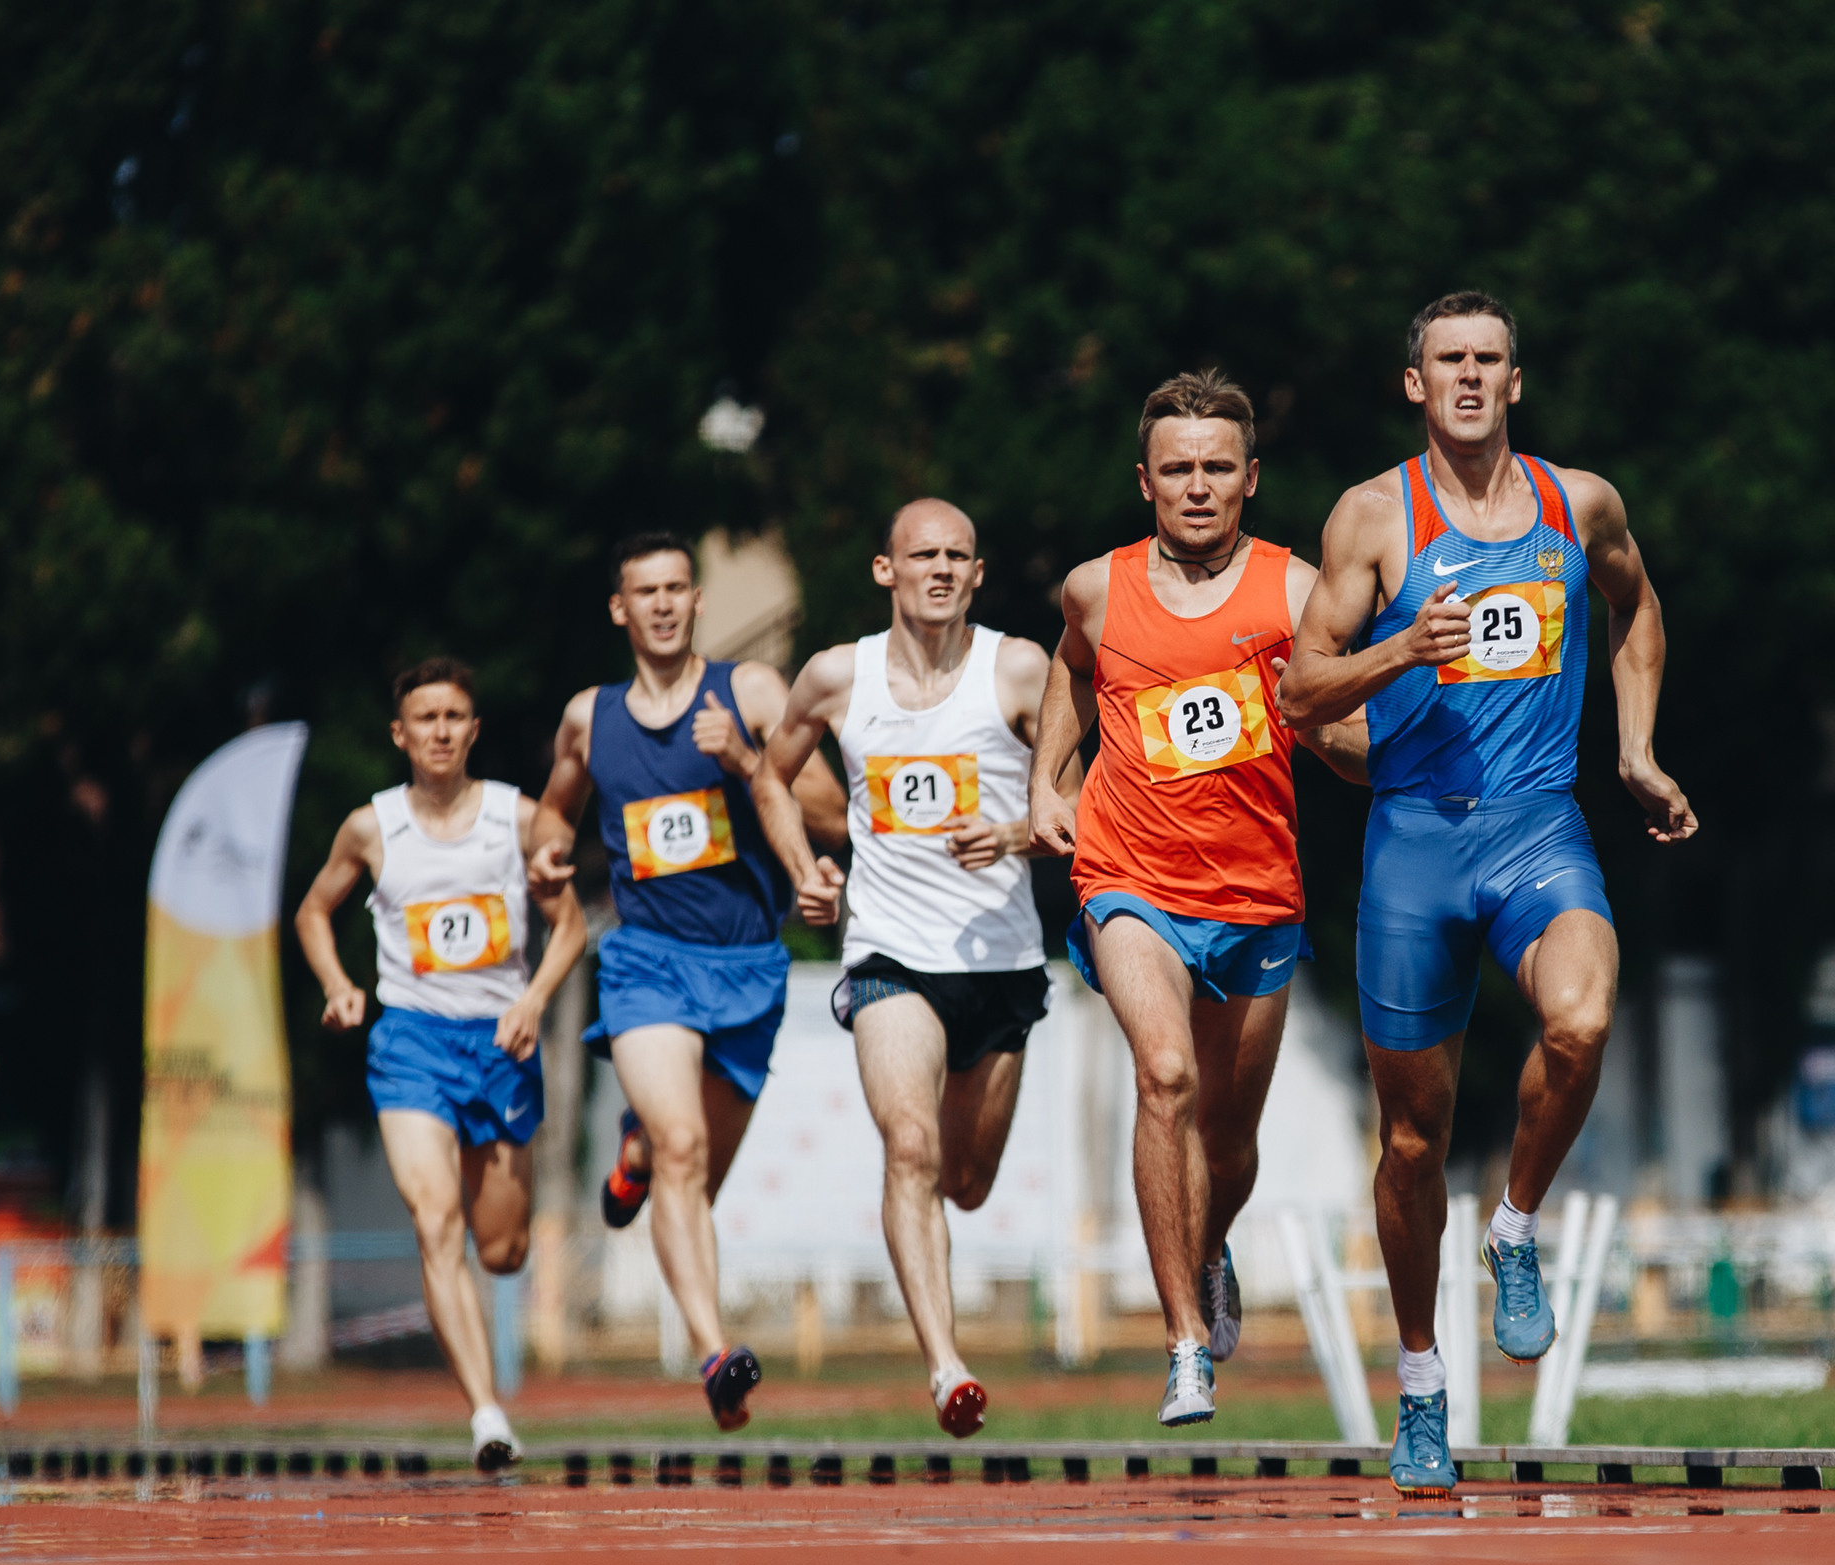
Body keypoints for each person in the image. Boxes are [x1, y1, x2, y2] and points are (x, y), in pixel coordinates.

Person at [1279, 291, 1697, 1494]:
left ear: (1517, 379)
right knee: (1410, 1143)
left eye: (1489, 360)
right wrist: (1401, 650)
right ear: (1414, 384)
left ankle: (1515, 1227)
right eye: (1446, 361)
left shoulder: (1580, 503)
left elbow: (1638, 608)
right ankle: (1419, 1386)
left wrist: (1634, 750)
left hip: (1537, 828)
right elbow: (1300, 695)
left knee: (1580, 1018)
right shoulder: (1371, 518)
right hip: (1412, 845)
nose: (1468, 377)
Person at [1029, 371, 1366, 1429]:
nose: (1198, 486)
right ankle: (1183, 1343)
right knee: (1163, 1073)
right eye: (1177, 469)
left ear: (1251, 478)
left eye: (1218, 467)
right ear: (1145, 482)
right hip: (1127, 877)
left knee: (1226, 1139)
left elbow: (1344, 736)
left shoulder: (1295, 592)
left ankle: (1208, 1244)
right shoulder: (1097, 587)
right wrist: (1049, 779)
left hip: (1258, 894)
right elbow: (1071, 669)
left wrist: (1350, 739)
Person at [529, 533, 843, 1432]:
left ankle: (633, 1156)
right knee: (682, 1151)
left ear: (696, 600)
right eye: (644, 591)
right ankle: (715, 1353)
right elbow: (554, 808)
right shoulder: (590, 717)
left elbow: (826, 808)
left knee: (689, 1182)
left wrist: (748, 761)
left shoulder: (749, 692)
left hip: (747, 964)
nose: (663, 604)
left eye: (676, 588)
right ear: (620, 610)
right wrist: (547, 855)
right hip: (647, 960)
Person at [761, 498, 1056, 1438]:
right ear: (884, 570)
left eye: (956, 556)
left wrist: (1015, 830)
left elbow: (1090, 793)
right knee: (911, 1148)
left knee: (965, 1179)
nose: (938, 568)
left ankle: (945, 1328)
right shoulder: (835, 677)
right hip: (890, 953)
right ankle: (947, 1367)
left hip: (1000, 962)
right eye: (920, 554)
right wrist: (805, 870)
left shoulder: (1016, 669)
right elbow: (772, 775)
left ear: (978, 573)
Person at [294, 658, 589, 1471]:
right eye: (425, 718)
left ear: (474, 730)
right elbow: (313, 912)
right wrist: (339, 983)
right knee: (435, 1221)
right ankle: (488, 1412)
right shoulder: (371, 827)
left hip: (501, 1044)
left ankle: (491, 1367)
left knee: (501, 1249)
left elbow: (570, 927)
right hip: (412, 1043)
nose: (440, 731)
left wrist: (533, 1000)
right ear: (400, 733)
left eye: (455, 716)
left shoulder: (516, 819)